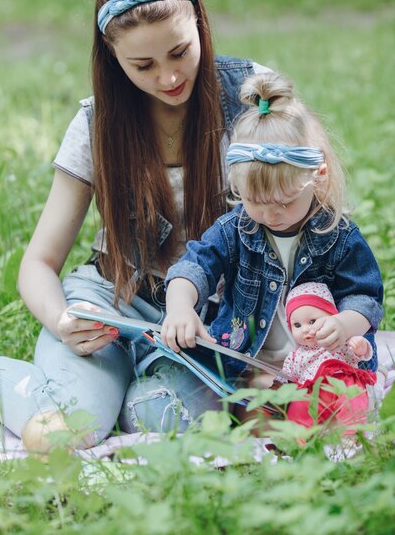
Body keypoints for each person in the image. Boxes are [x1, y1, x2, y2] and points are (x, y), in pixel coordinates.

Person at [0, 0, 270, 451]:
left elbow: (301, 214)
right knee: (62, 435)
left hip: (215, 319)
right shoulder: (97, 126)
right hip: (116, 308)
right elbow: (38, 263)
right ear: (113, 59)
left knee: (163, 420)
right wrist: (64, 320)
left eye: (180, 51)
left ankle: (127, 389)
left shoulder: (250, 96)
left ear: (200, 25)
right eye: (143, 65)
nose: (168, 78)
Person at [162, 71, 384, 406]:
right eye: (256, 202)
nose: (271, 214)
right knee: (246, 409)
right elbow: (195, 265)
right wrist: (179, 306)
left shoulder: (339, 236)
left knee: (333, 406)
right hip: (248, 362)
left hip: (320, 362)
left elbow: (365, 296)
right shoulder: (235, 229)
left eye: (285, 201)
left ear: (317, 177)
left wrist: (344, 323)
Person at [282, 281, 377, 431]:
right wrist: (280, 386)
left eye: (312, 321)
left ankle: (351, 435)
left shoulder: (336, 340)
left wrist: (360, 347)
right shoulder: (297, 355)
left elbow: (356, 354)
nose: (305, 329)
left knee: (354, 399)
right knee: (297, 409)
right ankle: (295, 440)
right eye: (297, 325)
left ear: (332, 316)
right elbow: (286, 376)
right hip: (312, 391)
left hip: (342, 382)